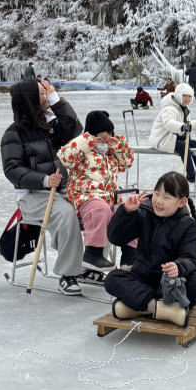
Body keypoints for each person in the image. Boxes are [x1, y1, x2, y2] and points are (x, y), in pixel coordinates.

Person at [1, 79, 108, 296]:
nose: (49, 94)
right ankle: (69, 274)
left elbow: (75, 129)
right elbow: (12, 169)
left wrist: (57, 101)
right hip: (33, 195)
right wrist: (43, 179)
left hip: (63, 188)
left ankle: (89, 264)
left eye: (50, 91)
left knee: (98, 205)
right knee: (65, 213)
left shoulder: (52, 125)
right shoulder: (14, 134)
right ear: (31, 100)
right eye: (43, 93)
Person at [105, 172, 196, 327]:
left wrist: (179, 267)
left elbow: (192, 258)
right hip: (142, 279)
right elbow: (116, 238)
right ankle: (160, 308)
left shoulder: (188, 225)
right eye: (157, 194)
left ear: (181, 202)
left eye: (166, 197)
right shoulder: (143, 214)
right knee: (112, 278)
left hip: (169, 284)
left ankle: (140, 306)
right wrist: (126, 212)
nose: (159, 201)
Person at [58, 110, 136, 276]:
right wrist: (85, 141)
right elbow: (64, 156)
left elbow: (127, 162)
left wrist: (118, 145)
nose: (105, 142)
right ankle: (93, 253)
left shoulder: (112, 155)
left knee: (132, 211)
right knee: (100, 209)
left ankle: (131, 255)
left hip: (109, 198)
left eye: (109, 137)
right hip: (85, 197)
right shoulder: (82, 153)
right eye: (101, 138)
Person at [149, 84, 196, 186]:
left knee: (195, 144)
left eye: (189, 96)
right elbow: (168, 123)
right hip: (162, 139)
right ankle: (191, 175)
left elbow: (188, 124)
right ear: (179, 95)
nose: (187, 99)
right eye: (185, 96)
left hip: (173, 138)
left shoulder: (184, 108)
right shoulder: (169, 108)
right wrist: (183, 127)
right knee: (184, 147)